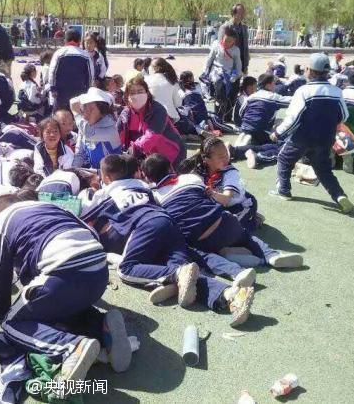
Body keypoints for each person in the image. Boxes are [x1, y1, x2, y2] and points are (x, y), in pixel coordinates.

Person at [83, 155, 256, 326]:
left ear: (106, 177)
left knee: (127, 269)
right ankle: (231, 296)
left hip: (144, 227)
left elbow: (84, 215)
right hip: (168, 222)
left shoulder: (105, 194)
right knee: (186, 273)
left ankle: (172, 277)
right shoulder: (142, 186)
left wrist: (89, 192)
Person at [0, 195, 133, 380]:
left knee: (11, 323)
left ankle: (73, 346)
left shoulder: (1, 222)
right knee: (57, 306)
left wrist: (3, 314)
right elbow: (92, 234)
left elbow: (0, 273)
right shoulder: (50, 207)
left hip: (62, 272)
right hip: (99, 273)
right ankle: (102, 324)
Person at [145, 154, 303, 269]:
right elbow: (209, 200)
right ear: (171, 167)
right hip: (225, 225)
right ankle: (270, 255)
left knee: (197, 250)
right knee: (246, 236)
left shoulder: (155, 195)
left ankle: (225, 256)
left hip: (199, 240)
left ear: (149, 178)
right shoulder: (190, 179)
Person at [269, 53, 353, 213]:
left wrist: (278, 133)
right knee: (324, 170)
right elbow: (344, 115)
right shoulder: (336, 91)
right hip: (325, 139)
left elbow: (293, 118)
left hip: (302, 138)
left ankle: (283, 191)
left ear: (311, 71)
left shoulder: (303, 91)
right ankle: (339, 195)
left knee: (284, 160)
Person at [184, 137, 262, 232]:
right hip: (219, 205)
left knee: (232, 232)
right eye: (221, 156)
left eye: (226, 154)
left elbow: (226, 199)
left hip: (240, 206)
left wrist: (212, 193)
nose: (226, 158)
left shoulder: (231, 173)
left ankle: (255, 220)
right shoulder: (200, 169)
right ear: (206, 159)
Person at [117, 76, 186, 169]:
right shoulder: (126, 114)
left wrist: (134, 149)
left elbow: (152, 135)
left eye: (140, 91)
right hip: (148, 158)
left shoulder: (157, 110)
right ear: (127, 96)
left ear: (147, 93)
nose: (136, 95)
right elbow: (118, 134)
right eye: (132, 93)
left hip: (172, 154)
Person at [70, 87, 121, 168]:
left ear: (102, 112)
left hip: (113, 174)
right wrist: (73, 170)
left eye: (92, 109)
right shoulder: (84, 126)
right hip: (94, 173)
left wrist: (76, 114)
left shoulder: (111, 128)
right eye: (85, 107)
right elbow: (80, 154)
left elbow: (88, 133)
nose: (87, 112)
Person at [239, 73, 291, 145]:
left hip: (244, 127)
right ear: (268, 85)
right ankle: (240, 149)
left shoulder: (251, 97)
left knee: (276, 121)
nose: (275, 86)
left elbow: (241, 112)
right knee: (280, 144)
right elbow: (291, 101)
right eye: (273, 83)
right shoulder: (273, 97)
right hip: (260, 130)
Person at [49, 29, 94, 111]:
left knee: (59, 118)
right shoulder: (85, 55)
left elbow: (52, 72)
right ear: (80, 41)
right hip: (80, 93)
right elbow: (91, 75)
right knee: (77, 118)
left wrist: (53, 88)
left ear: (65, 40)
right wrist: (89, 90)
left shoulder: (58, 53)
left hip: (61, 93)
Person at [204, 27, 243, 122]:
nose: (227, 43)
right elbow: (210, 58)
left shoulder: (236, 50)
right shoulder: (216, 45)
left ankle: (228, 116)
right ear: (222, 38)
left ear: (234, 41)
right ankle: (218, 115)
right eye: (225, 40)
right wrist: (205, 70)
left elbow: (238, 66)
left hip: (229, 73)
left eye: (230, 41)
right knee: (220, 88)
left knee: (232, 93)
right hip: (216, 71)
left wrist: (236, 75)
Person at [144, 58, 181, 122]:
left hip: (151, 116)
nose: (149, 68)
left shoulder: (146, 80)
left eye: (150, 66)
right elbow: (178, 103)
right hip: (169, 116)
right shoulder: (171, 81)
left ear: (157, 68)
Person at [218, 4, 249, 75]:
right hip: (228, 67)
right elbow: (220, 47)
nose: (242, 15)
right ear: (233, 13)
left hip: (241, 65)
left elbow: (246, 48)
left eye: (243, 13)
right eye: (240, 13)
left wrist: (245, 66)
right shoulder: (225, 27)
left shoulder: (244, 28)